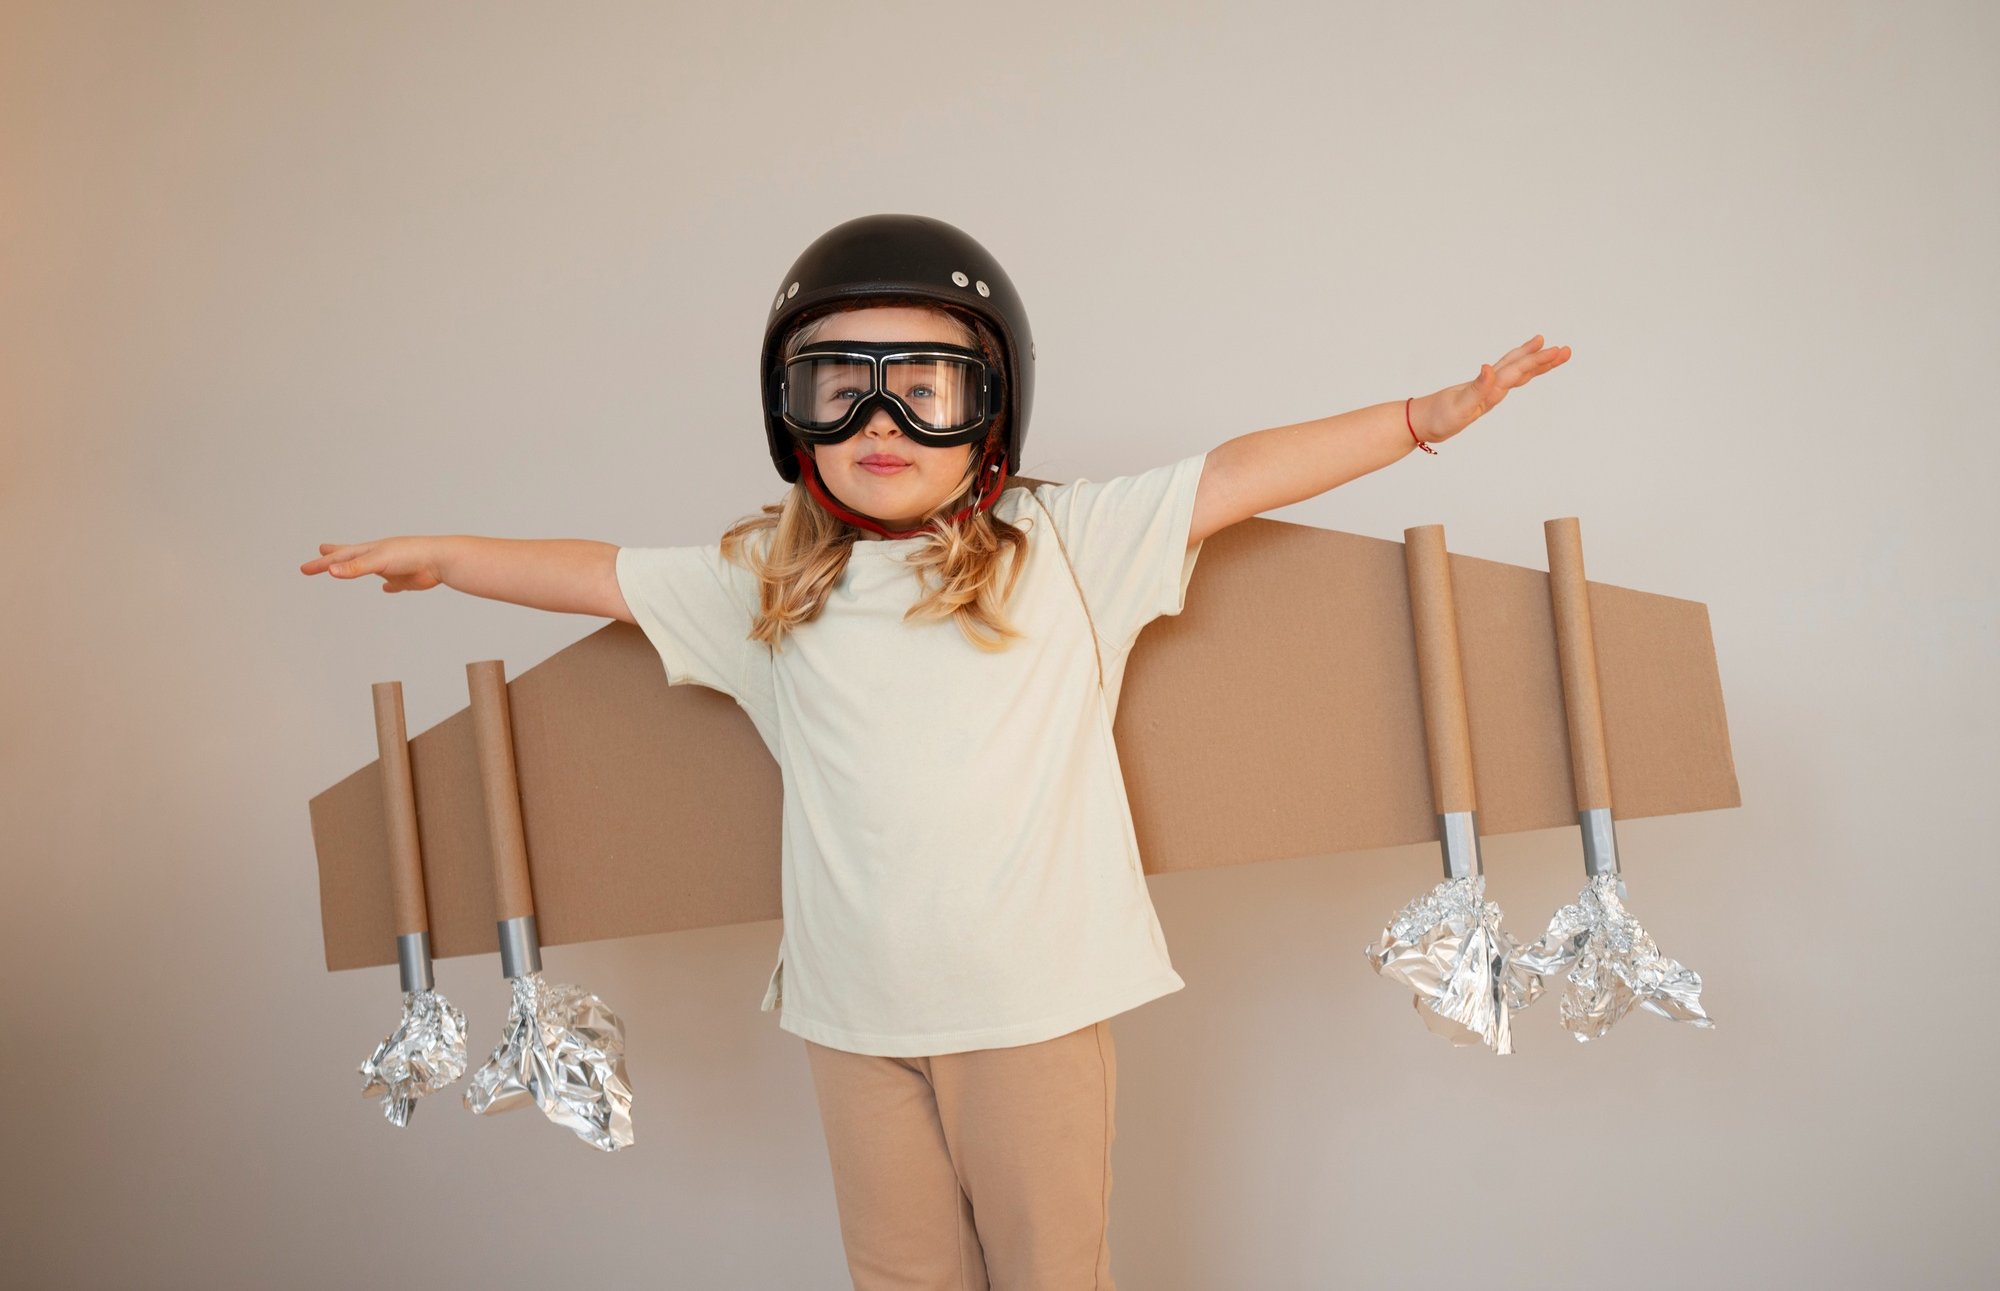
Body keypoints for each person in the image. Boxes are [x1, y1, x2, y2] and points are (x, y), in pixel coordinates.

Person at [302, 214, 1569, 1289]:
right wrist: (450, 558)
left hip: (1028, 1012)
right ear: (787, 417)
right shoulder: (766, 585)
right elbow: (594, 574)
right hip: (852, 1019)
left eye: (925, 384)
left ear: (991, 412)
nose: (878, 414)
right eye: (834, 382)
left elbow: (1235, 474)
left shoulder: (1063, 547)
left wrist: (1425, 416)